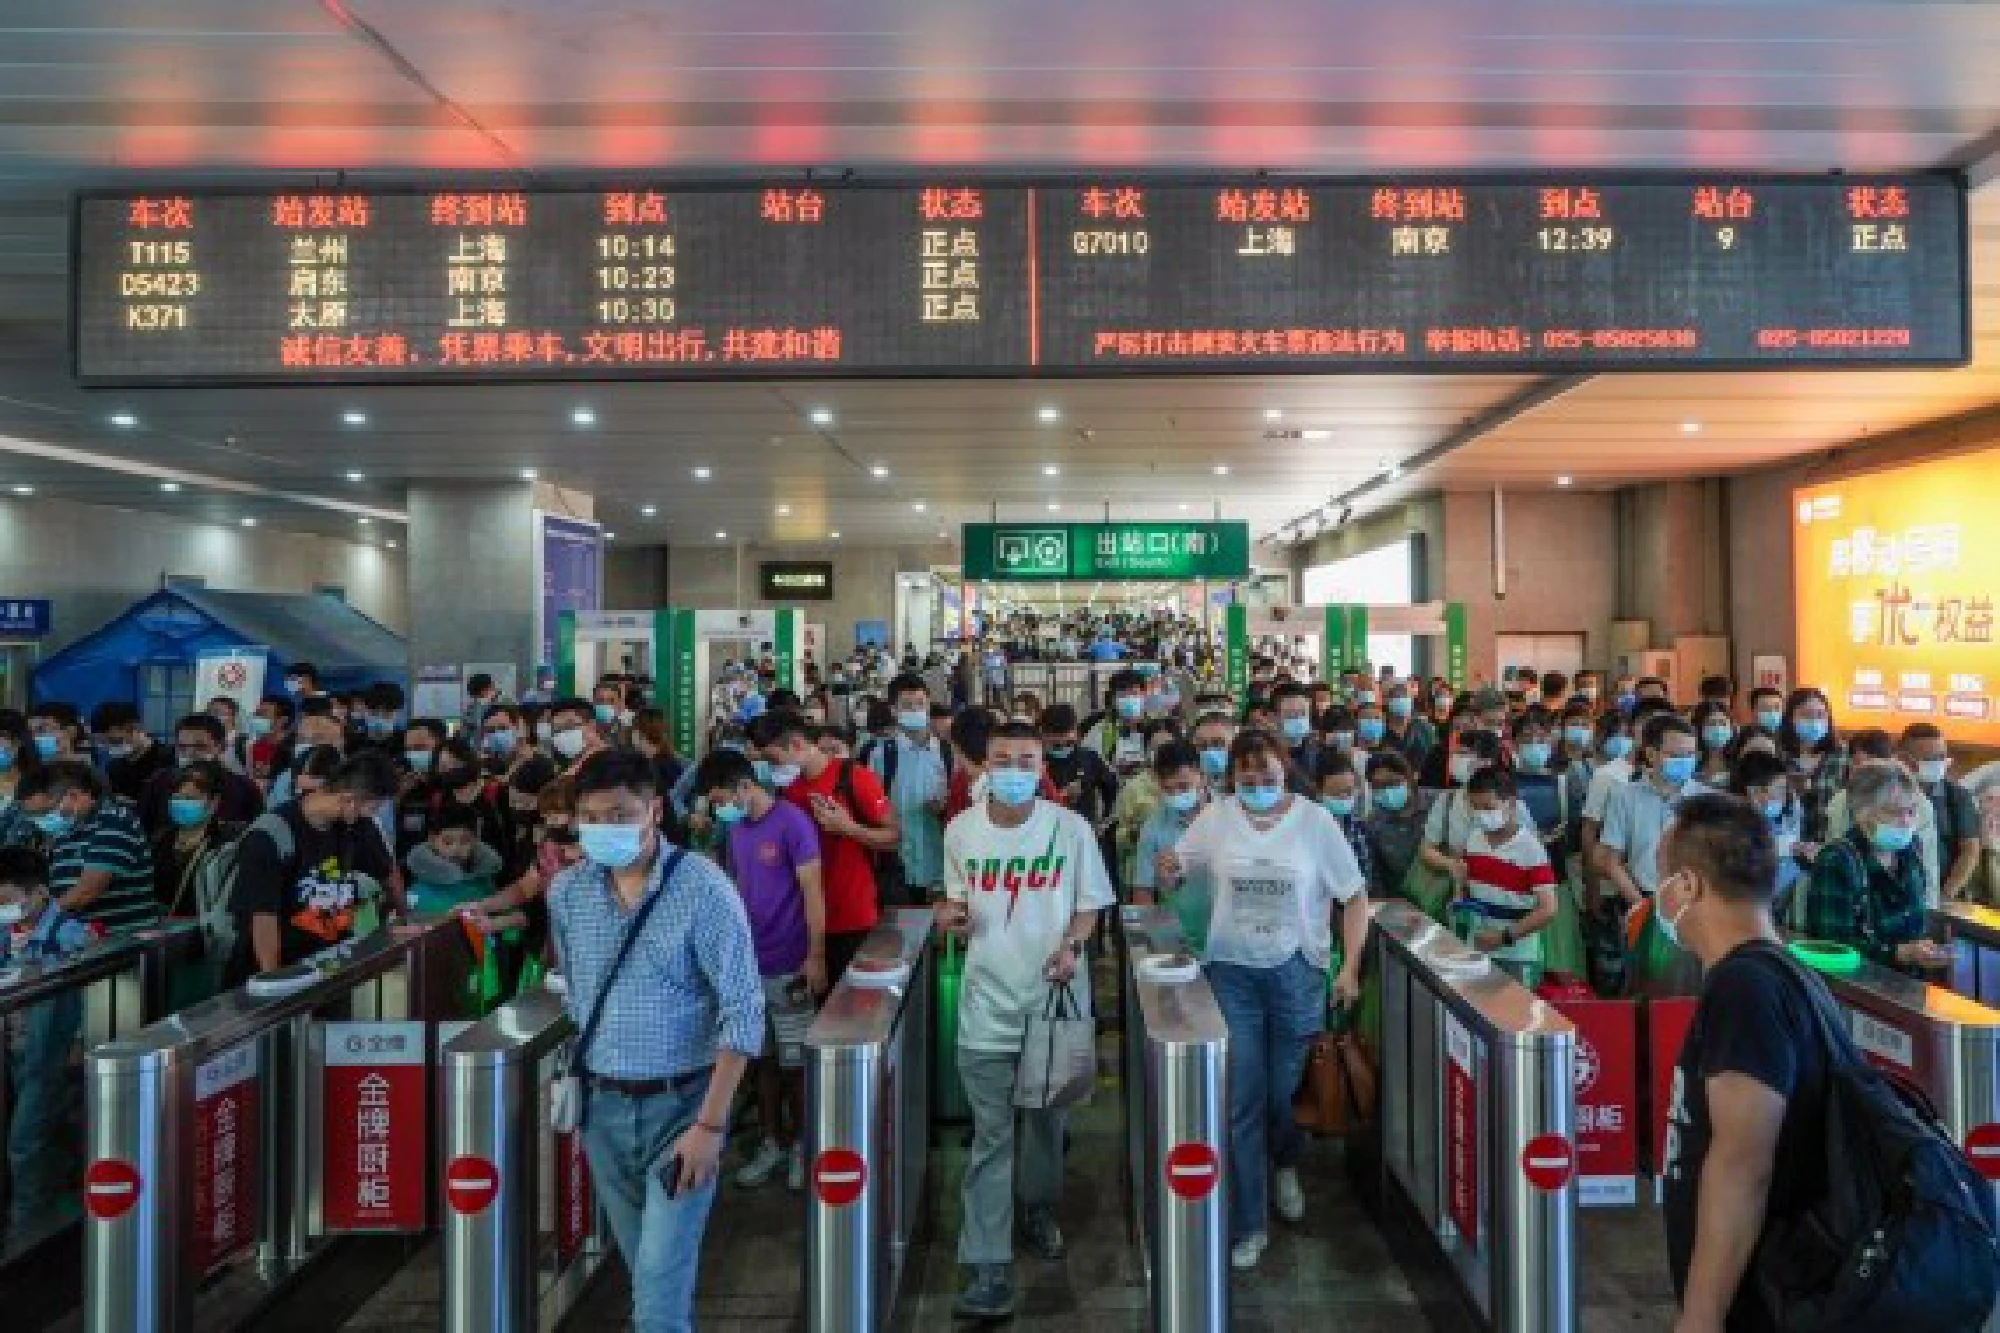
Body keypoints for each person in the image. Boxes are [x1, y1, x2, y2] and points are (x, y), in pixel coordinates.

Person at [548, 750, 761, 1333]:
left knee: (659, 1286)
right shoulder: (567, 893)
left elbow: (743, 1010)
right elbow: (578, 992)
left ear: (655, 810)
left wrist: (711, 1127)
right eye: (590, 817)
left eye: (619, 814)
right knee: (646, 1266)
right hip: (603, 1111)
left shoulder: (704, 888)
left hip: (683, 1109)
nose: (604, 828)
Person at [1158, 729, 1367, 1271]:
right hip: (1232, 972)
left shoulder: (1317, 823)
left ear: (1285, 769)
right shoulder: (1216, 817)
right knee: (1243, 1099)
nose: (1256, 784)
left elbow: (1354, 897)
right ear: (1232, 777)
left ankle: (1286, 1162)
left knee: (1281, 1092)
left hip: (1297, 971)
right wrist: (1171, 871)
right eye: (1245, 775)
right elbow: (1181, 868)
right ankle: (1250, 1223)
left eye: (1267, 774)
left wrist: (1349, 967)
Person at [939, 722, 1114, 1318]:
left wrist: (1072, 945)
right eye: (1002, 759)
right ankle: (988, 1266)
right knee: (992, 1138)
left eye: (1026, 760)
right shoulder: (961, 830)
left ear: (1043, 767)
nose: (1014, 769)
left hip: (1055, 1002)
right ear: (982, 765)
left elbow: (1090, 906)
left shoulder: (1071, 829)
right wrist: (952, 917)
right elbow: (957, 899)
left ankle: (1039, 1209)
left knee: (1046, 1127)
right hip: (986, 1004)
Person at [1655, 793, 1834, 1332]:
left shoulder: (1744, 989)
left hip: (1759, 1298)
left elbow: (1742, 1164)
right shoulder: (1785, 974)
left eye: (1660, 879)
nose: (1656, 896)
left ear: (1689, 886)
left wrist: (1702, 1315)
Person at [696, 748, 826, 1194]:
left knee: (796, 1065)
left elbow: (812, 893)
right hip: (748, 969)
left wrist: (816, 955)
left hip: (789, 963)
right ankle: (772, 1141)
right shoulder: (735, 833)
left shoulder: (792, 823)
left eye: (721, 799)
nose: (719, 809)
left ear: (746, 786)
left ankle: (803, 1145)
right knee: (761, 1062)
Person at [226, 752, 402, 981]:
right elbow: (262, 918)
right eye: (373, 807)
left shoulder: (356, 826)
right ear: (348, 800)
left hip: (326, 963)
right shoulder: (271, 836)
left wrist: (406, 920)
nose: (373, 815)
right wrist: (274, 979)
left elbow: (388, 874)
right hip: (271, 968)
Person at [0, 845, 101, 1239]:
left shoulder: (71, 936)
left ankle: (27, 1233)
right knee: (41, 1134)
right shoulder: (7, 935)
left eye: (8, 900)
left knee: (25, 1141)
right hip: (13, 1049)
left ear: (39, 893)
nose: (4, 910)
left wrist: (78, 1041)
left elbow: (91, 995)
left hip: (51, 1052)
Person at [762, 710, 899, 982]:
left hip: (854, 918)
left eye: (774, 760)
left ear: (797, 745)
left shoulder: (854, 777)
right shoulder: (788, 792)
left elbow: (894, 837)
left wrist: (849, 828)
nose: (772, 769)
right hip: (807, 923)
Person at [1803, 763, 1950, 976]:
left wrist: (1924, 950)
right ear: (1863, 813)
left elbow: (1916, 923)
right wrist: (1899, 953)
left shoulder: (1911, 850)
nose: (1906, 821)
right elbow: (1832, 947)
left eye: (1911, 811)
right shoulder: (1837, 861)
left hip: (1911, 984)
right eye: (1894, 812)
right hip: (1859, 992)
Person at [16, 760, 157, 934]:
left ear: (74, 795)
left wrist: (38, 916)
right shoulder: (66, 831)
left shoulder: (113, 821)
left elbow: (86, 892)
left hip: (123, 944)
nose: (40, 820)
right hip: (80, 941)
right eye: (33, 815)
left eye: (45, 812)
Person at [1451, 768, 1558, 985]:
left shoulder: (1530, 848)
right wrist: (1459, 887)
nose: (1481, 814)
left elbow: (1548, 909)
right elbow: (1467, 894)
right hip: (1478, 951)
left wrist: (1504, 937)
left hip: (1517, 956)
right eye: (1475, 807)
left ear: (1509, 804)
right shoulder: (1474, 840)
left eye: (1488, 807)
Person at [1597, 715, 1714, 911]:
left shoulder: (1708, 799)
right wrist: (1641, 907)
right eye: (1675, 755)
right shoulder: (1624, 796)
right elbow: (1611, 861)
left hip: (1694, 904)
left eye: (1690, 754)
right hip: (1641, 896)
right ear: (1651, 754)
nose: (1684, 761)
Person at [865, 674, 950, 907]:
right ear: (894, 710)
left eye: (920, 703)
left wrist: (945, 806)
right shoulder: (882, 754)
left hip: (941, 864)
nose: (915, 709)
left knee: (938, 935)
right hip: (897, 865)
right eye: (907, 705)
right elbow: (871, 806)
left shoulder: (947, 753)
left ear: (929, 704)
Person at [138, 714, 265, 832]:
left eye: (200, 747)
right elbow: (145, 828)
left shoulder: (244, 789)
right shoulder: (158, 783)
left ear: (222, 747)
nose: (190, 754)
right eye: (182, 747)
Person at [1900, 723, 1982, 903]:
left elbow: (1970, 850)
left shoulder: (1957, 797)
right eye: (1931, 758)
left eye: (1942, 756)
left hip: (1942, 893)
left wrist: (1944, 895)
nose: (1939, 763)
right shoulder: (1892, 793)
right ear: (1906, 760)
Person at [150, 761, 244, 917]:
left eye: (190, 798)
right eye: (176, 797)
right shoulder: (161, 839)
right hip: (165, 931)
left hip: (205, 931)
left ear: (214, 802)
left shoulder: (227, 844)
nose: (181, 803)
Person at [1777, 687, 1846, 850]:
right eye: (1806, 714)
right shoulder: (1778, 755)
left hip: (1830, 846)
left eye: (1821, 715)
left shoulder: (1841, 755)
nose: (1814, 721)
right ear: (1790, 718)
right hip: (1787, 847)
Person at [404, 805, 505, 913]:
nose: (456, 849)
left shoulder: (486, 883)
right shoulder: (416, 892)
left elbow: (505, 919)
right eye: (447, 842)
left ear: (475, 841)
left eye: (465, 841)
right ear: (432, 840)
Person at [1363, 752, 1432, 898]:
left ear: (1410, 778)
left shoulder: (1438, 805)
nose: (1386, 791)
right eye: (1377, 786)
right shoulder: (1373, 824)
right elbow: (1376, 875)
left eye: (1392, 783)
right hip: (1404, 904)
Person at [93, 702, 172, 802]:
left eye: (114, 741)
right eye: (103, 743)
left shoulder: (168, 759)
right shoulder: (114, 767)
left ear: (135, 729)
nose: (110, 747)